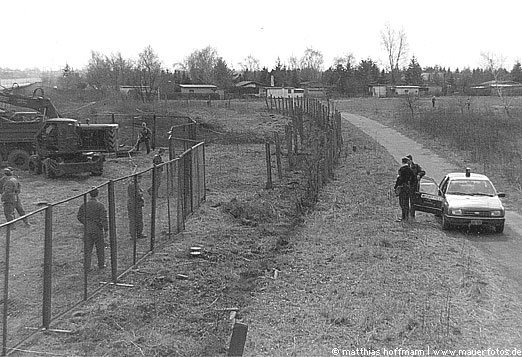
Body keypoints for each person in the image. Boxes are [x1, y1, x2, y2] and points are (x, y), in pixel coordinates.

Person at [77, 188, 108, 270]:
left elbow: (79, 216)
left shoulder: (84, 205)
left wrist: (86, 222)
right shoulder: (100, 206)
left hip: (88, 229)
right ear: (97, 194)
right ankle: (101, 264)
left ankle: (87, 266)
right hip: (98, 229)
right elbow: (104, 218)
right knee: (100, 248)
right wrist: (106, 229)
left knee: (88, 249)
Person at [394, 157, 415, 222]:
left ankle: (404, 217)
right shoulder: (410, 169)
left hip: (402, 187)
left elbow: (399, 179)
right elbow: (414, 178)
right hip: (408, 187)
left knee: (402, 203)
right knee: (406, 202)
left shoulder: (401, 169)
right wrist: (411, 184)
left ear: (402, 162)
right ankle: (406, 217)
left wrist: (396, 186)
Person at [407, 154, 426, 220]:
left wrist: (419, 175)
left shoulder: (416, 166)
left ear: (411, 160)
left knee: (413, 201)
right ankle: (405, 215)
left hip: (414, 187)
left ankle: (412, 215)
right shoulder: (404, 168)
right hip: (406, 187)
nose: (407, 162)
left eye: (408, 160)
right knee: (405, 201)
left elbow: (423, 172)